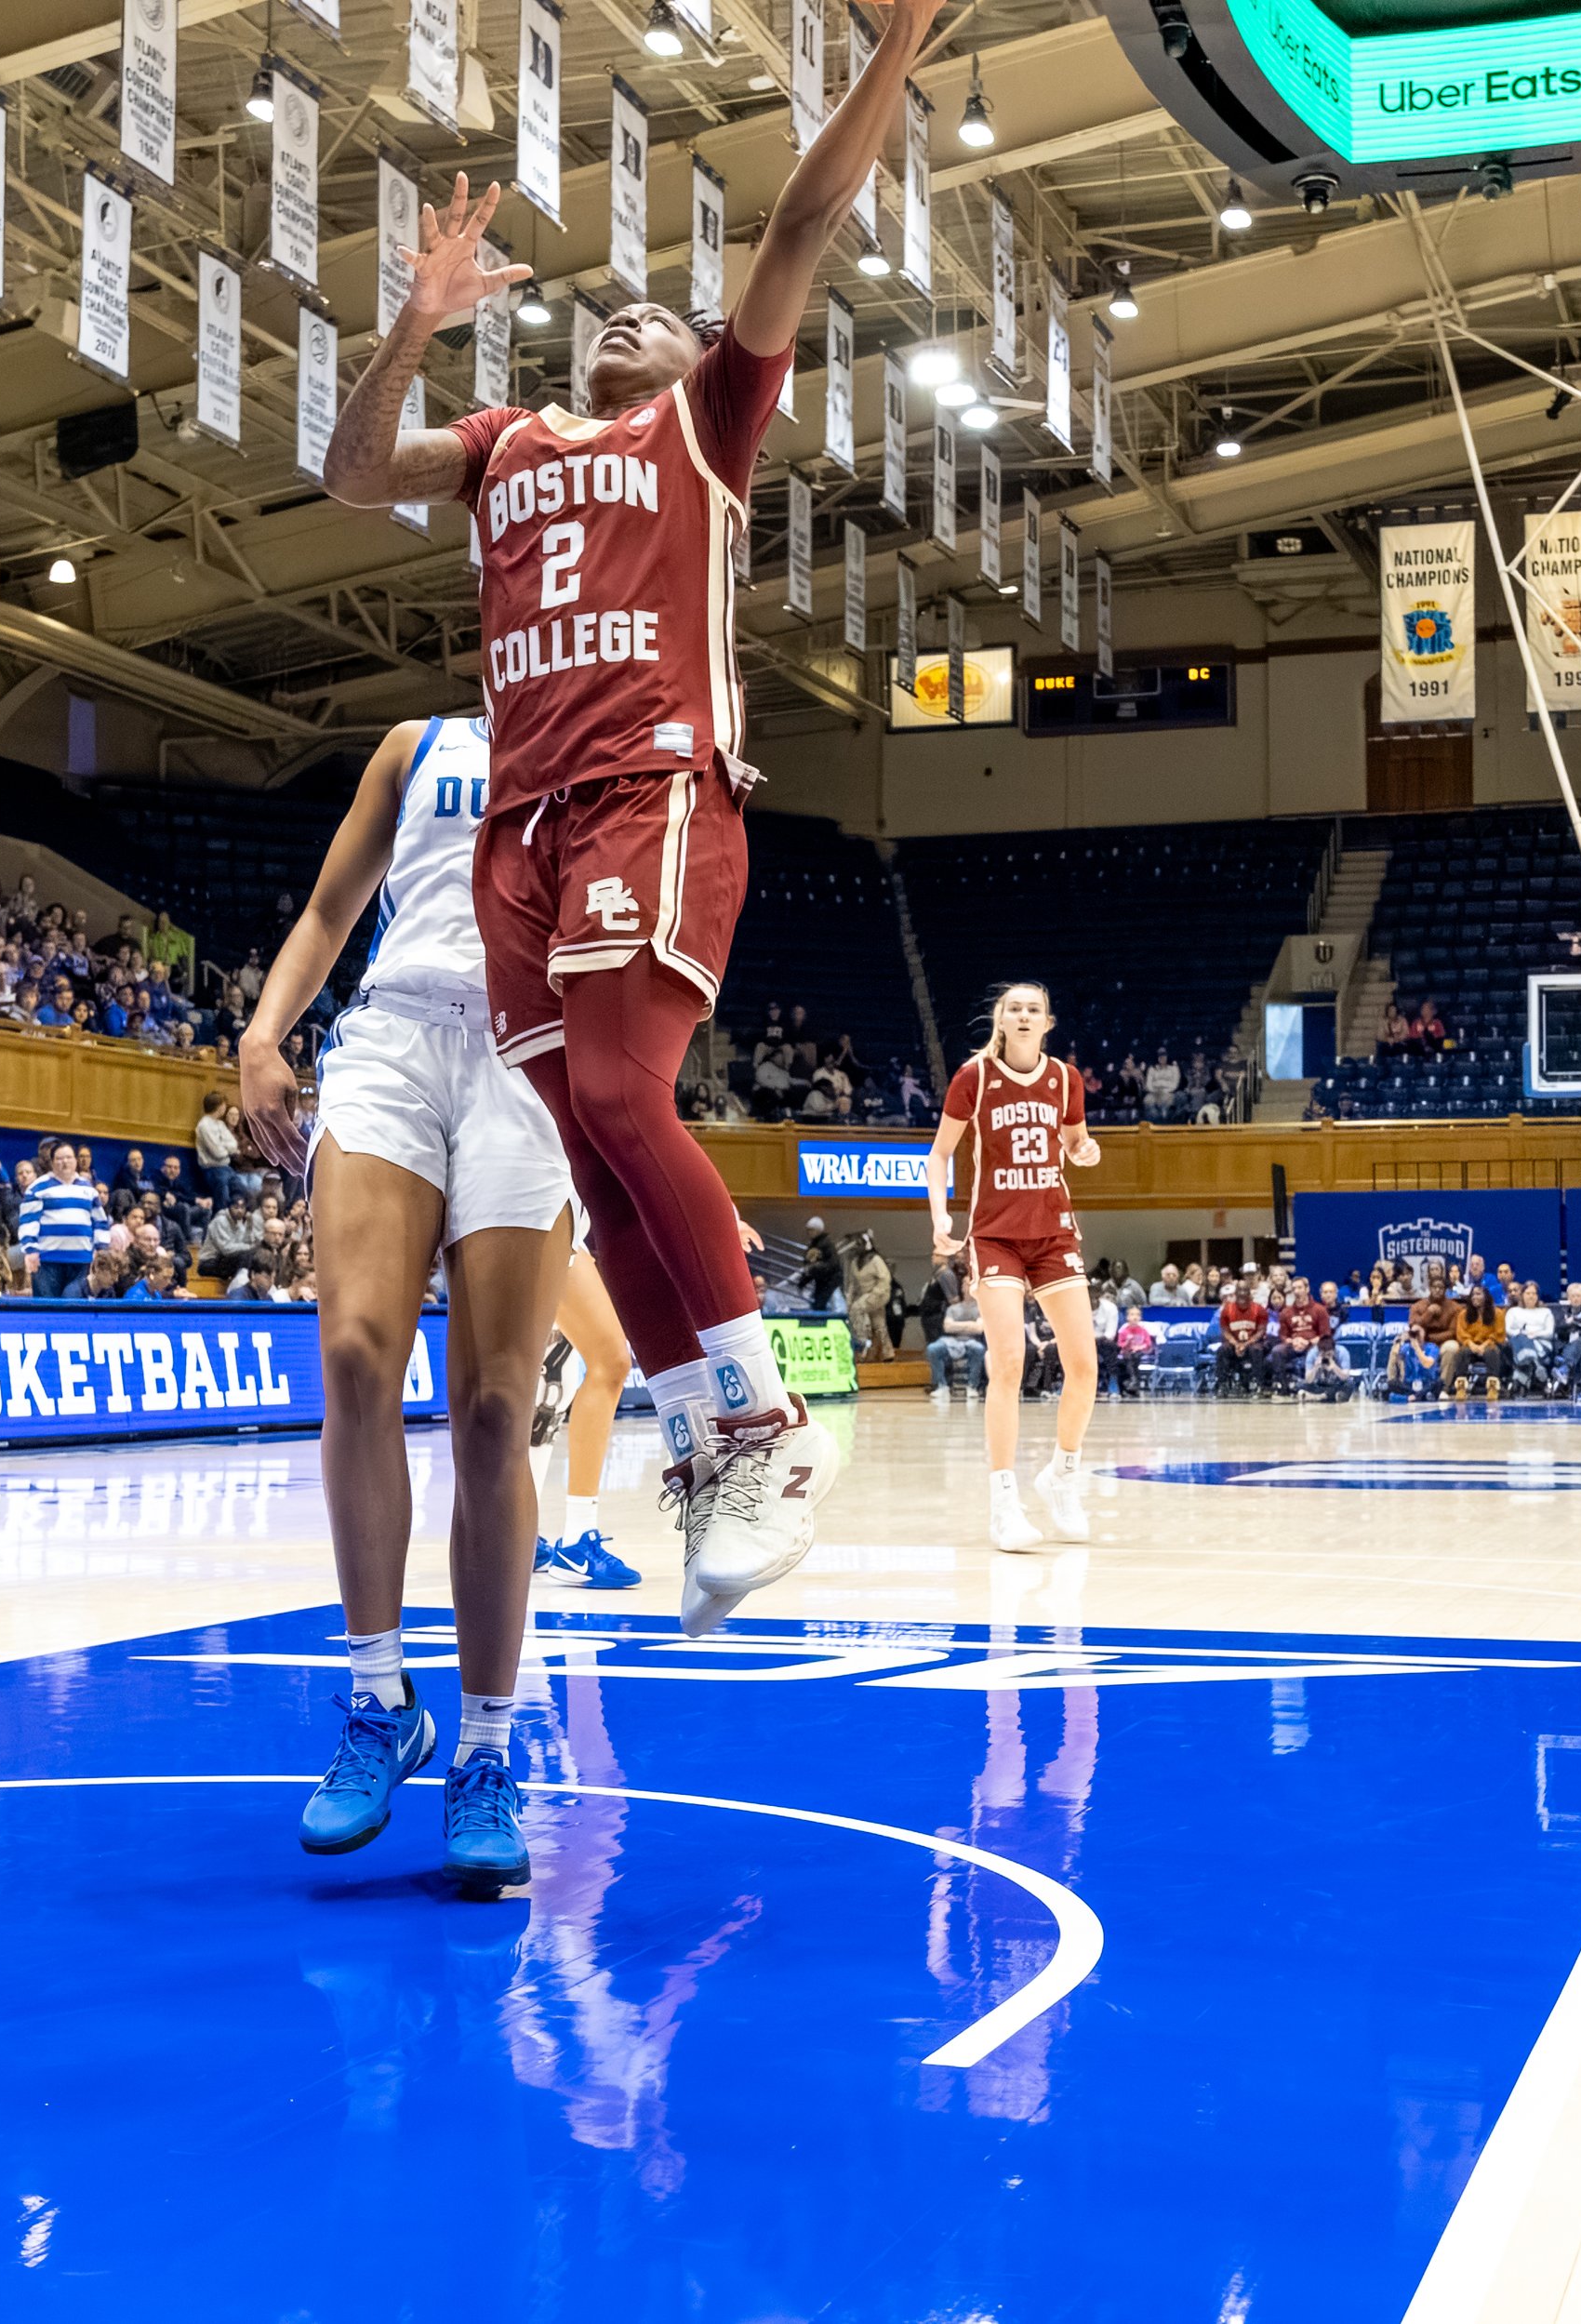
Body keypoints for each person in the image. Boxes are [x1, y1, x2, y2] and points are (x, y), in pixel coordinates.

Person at [317, 18, 944, 1635]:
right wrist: (414, 319)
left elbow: (800, 225)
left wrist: (898, 47)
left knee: (614, 1087)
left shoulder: (706, 429)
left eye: (665, 314)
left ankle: (759, 1418)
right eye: (618, 306)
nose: (634, 311)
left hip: (653, 789)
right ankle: (705, 1440)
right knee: (592, 1151)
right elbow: (348, 471)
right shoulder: (510, 448)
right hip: (516, 829)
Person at [241, 713, 592, 1896]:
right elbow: (331, 911)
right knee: (352, 1351)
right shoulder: (416, 741)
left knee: (496, 1409)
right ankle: (378, 1699)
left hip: (530, 1051)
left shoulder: (618, 735)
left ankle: (486, 1752)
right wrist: (262, 1031)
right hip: (393, 1036)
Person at [925, 982, 1103, 1549]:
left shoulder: (1064, 1078)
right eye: (1014, 1008)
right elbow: (940, 1154)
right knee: (1008, 1360)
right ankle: (1004, 1502)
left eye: (1034, 1009)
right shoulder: (974, 1078)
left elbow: (1074, 1140)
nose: (1024, 1016)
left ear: (1047, 1023)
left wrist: (1084, 1149)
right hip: (996, 1234)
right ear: (999, 1019)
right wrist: (939, 1219)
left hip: (1053, 1231)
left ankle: (1061, 1476)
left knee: (1084, 1365)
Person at [527, 1257, 642, 1588]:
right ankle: (576, 1539)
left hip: (554, 1215)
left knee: (553, 1381)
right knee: (608, 1361)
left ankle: (520, 1534)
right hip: (536, 1214)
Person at [19, 1142, 108, 1298]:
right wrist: (31, 1250)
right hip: (47, 1261)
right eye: (60, 1158)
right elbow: (28, 1222)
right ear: (52, 1162)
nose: (65, 1162)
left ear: (75, 1160)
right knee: (47, 1312)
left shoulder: (89, 1189)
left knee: (74, 1311)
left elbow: (100, 1222)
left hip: (81, 1261)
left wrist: (101, 1249)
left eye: (69, 1157)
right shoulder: (38, 1188)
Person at [927, 1274, 987, 1402]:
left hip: (972, 1341)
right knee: (933, 1348)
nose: (967, 1286)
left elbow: (979, 1329)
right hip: (952, 1341)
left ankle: (972, 1386)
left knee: (979, 1349)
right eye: (965, 1283)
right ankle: (942, 1386)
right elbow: (947, 1327)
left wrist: (957, 1326)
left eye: (970, 1283)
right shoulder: (953, 1309)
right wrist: (969, 1325)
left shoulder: (982, 1308)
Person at [1506, 1281, 1557, 1394]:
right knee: (1521, 1338)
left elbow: (1549, 1332)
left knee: (1525, 1338)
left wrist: (1534, 1334)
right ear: (1522, 1295)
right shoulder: (1513, 1311)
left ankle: (1523, 1372)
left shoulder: (1546, 1312)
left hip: (1542, 1344)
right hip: (1519, 1341)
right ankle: (1537, 1365)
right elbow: (1508, 1330)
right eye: (1528, 1293)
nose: (1531, 1296)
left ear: (1538, 1296)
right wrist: (1523, 1333)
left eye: (1534, 1293)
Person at [1112, 1304, 1155, 1398]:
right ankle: (1133, 1381)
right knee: (1130, 1357)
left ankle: (1133, 1381)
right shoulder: (1123, 1331)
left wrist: (1140, 1347)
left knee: (1135, 1356)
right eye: (1132, 1314)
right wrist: (1127, 1342)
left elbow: (1148, 1343)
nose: (1135, 1317)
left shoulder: (1143, 1331)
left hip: (1140, 1354)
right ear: (1127, 1317)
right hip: (1127, 1354)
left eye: (1137, 1315)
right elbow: (1120, 1345)